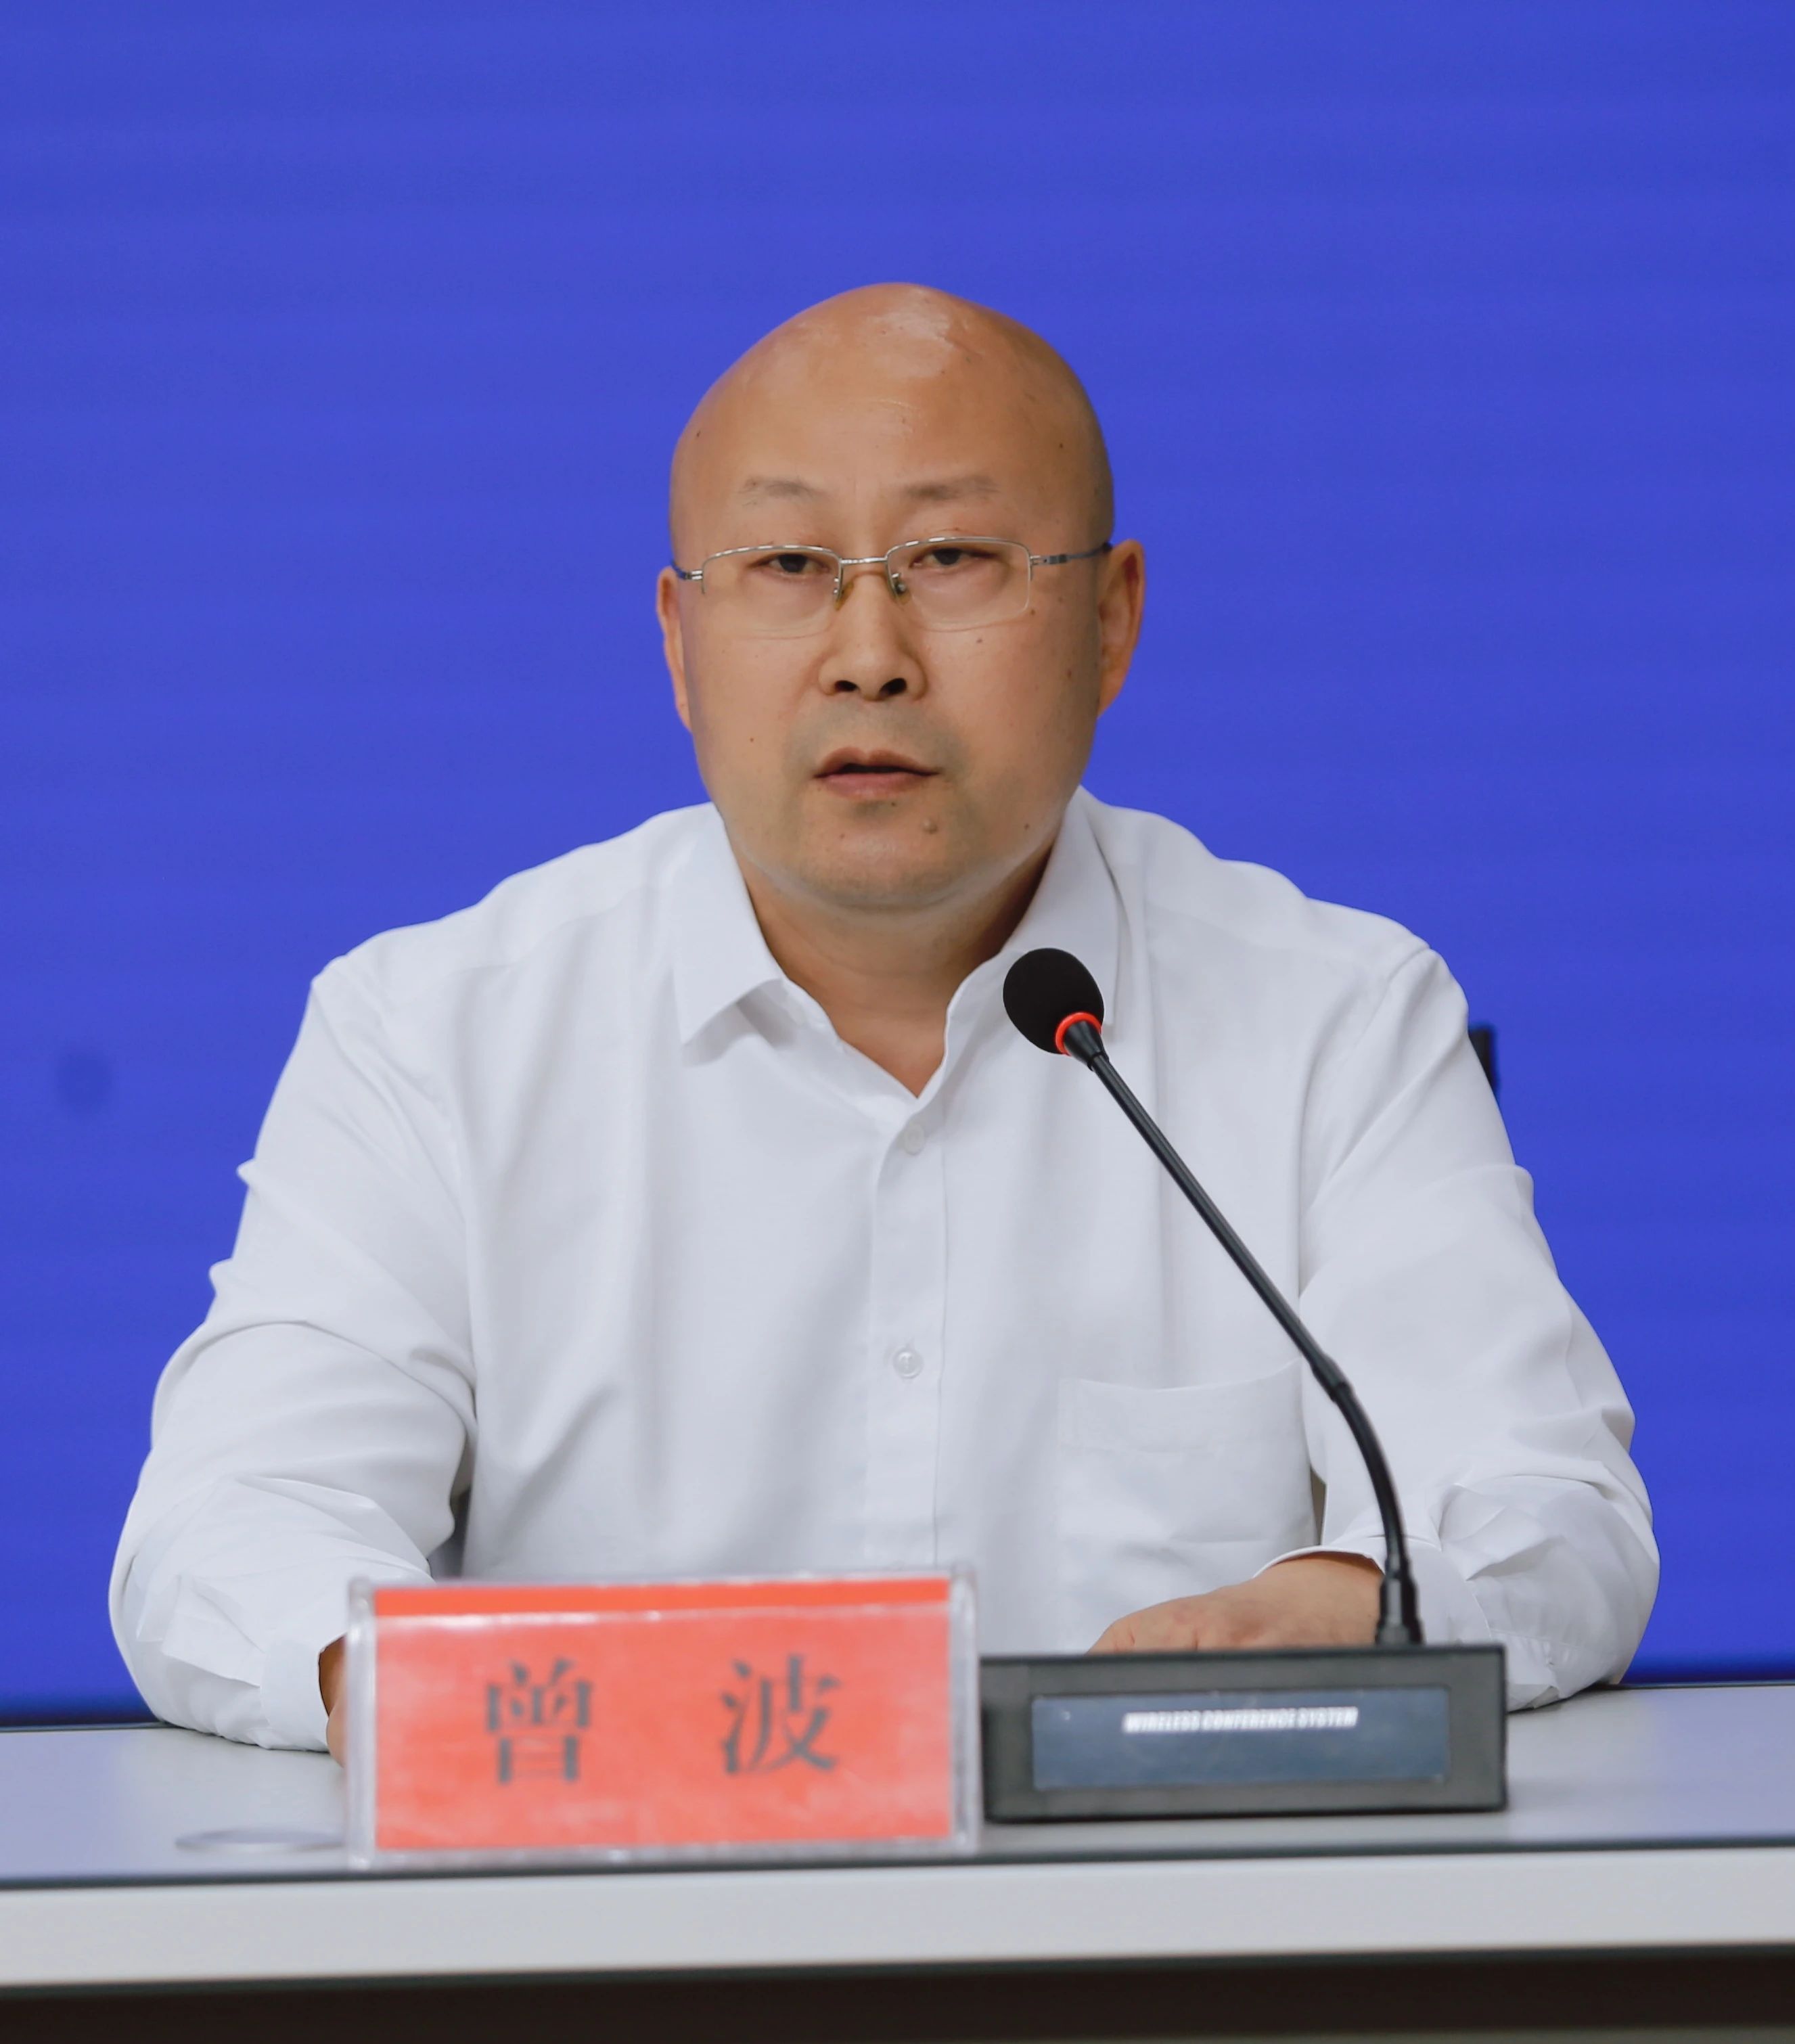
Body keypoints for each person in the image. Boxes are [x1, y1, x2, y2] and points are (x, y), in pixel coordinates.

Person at [111, 284, 1656, 1758]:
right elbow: (231, 1523)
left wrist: (1357, 1602)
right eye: (788, 565)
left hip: (1160, 1923)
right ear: (678, 642)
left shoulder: (1335, 1020)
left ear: (1111, 619)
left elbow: (1540, 1508)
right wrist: (453, 1697)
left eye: (955, 558)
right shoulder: (437, 1037)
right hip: (621, 1919)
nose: (868, 657)